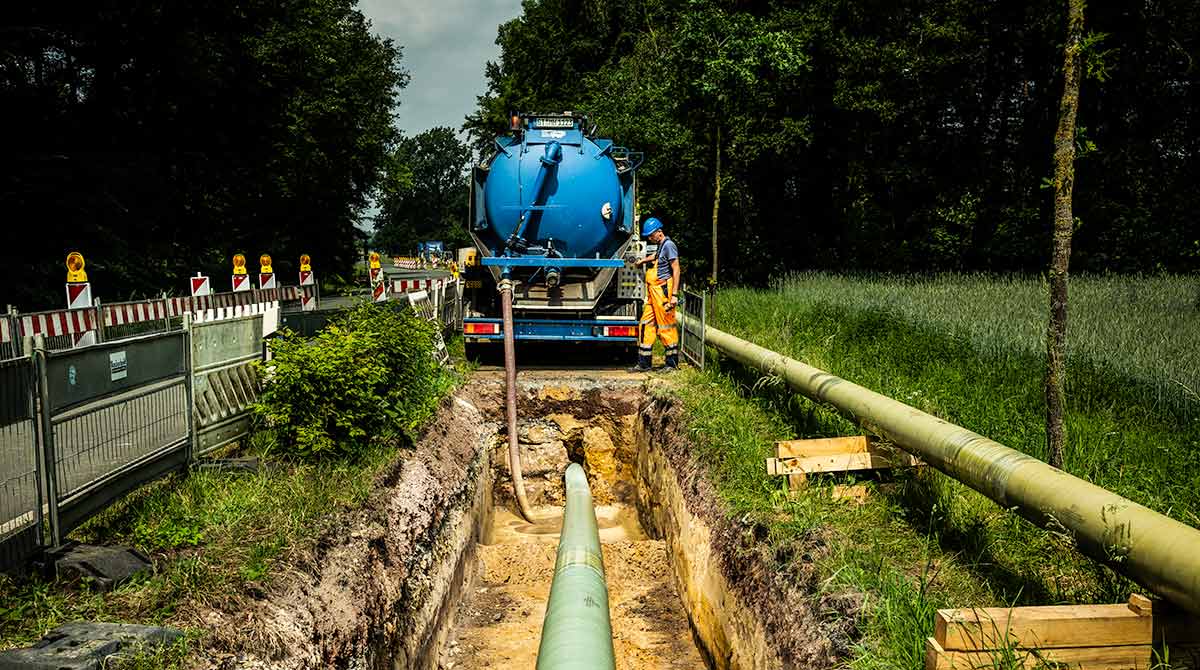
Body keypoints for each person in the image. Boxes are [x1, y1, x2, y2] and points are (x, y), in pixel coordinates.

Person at [630, 217, 680, 372]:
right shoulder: (661, 245)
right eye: (649, 236)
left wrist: (674, 295)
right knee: (646, 324)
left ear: (659, 232)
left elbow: (676, 269)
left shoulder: (669, 245)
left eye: (651, 235)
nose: (650, 238)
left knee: (666, 326)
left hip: (663, 291)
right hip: (653, 292)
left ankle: (671, 364)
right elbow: (655, 257)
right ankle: (644, 364)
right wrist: (642, 261)